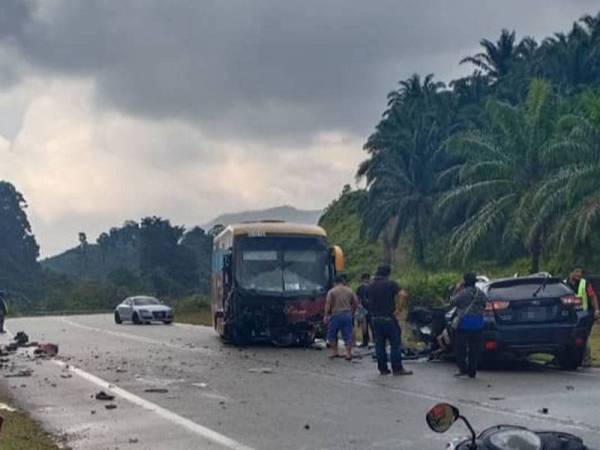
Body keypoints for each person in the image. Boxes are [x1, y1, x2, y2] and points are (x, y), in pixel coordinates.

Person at [367, 265, 412, 376]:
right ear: (388, 274)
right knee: (395, 343)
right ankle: (397, 369)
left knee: (379, 344)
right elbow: (403, 294)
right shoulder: (391, 284)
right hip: (388, 318)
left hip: (375, 319)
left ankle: (383, 369)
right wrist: (399, 309)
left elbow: (367, 300)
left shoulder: (370, 286)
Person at [449, 272, 486, 378]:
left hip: (464, 324)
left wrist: (456, 289)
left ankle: (463, 369)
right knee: (474, 349)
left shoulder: (462, 293)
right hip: (478, 324)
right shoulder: (480, 293)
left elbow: (452, 302)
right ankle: (472, 371)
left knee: (460, 348)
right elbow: (485, 303)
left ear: (464, 282)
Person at [565, 266, 600, 366]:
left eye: (580, 272)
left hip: (584, 314)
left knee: (584, 336)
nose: (579, 274)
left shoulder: (585, 283)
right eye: (576, 272)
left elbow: (592, 296)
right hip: (570, 316)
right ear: (570, 273)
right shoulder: (564, 284)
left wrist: (596, 310)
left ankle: (586, 359)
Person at [324, 274, 358, 361]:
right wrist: (352, 312)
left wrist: (326, 315)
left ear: (335, 282)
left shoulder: (332, 291)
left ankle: (335, 352)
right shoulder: (349, 290)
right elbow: (355, 302)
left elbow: (328, 304)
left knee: (332, 334)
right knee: (347, 334)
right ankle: (348, 354)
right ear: (343, 281)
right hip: (347, 314)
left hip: (335, 315)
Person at [355, 273, 372, 347]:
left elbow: (357, 299)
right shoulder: (372, 286)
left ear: (362, 279)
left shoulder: (360, 288)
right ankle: (376, 342)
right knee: (372, 326)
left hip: (363, 309)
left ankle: (365, 342)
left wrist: (358, 309)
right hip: (372, 309)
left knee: (364, 326)